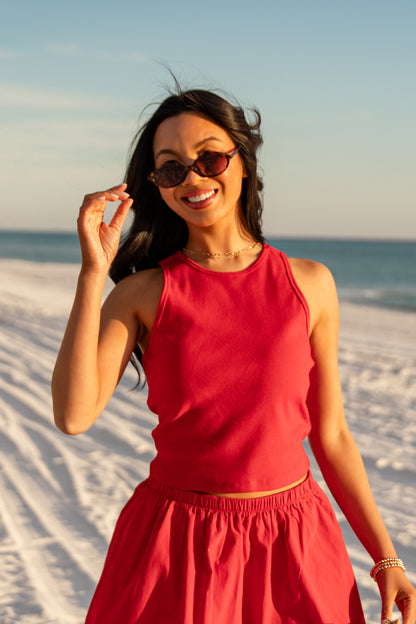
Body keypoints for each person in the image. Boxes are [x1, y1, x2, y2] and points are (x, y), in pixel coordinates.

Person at [52, 87, 416, 624]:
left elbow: (331, 433)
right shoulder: (142, 293)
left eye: (210, 158)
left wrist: (386, 558)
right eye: (171, 169)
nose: (194, 178)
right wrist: (91, 274)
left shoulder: (310, 284)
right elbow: (74, 415)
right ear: (157, 186)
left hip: (294, 542)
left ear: (243, 162)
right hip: (177, 544)